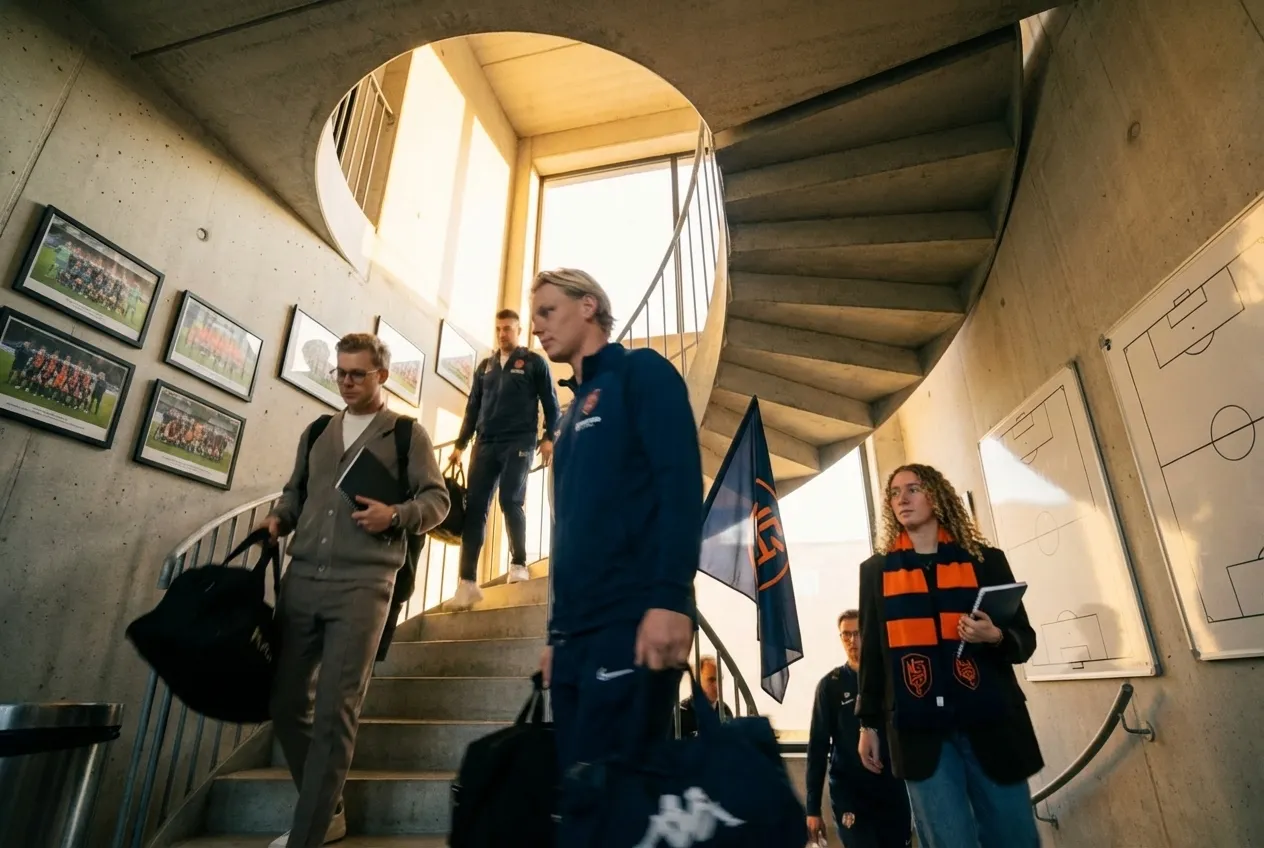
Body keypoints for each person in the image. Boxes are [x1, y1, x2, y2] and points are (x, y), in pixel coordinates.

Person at [530, 268, 702, 847]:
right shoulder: (569, 417)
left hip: (631, 623)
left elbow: (680, 484)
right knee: (581, 806)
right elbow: (569, 535)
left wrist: (670, 599)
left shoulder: (641, 373)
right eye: (534, 317)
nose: (537, 327)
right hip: (575, 639)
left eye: (547, 311)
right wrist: (556, 635)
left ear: (588, 306)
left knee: (622, 810)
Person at [259, 333, 450, 848]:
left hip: (364, 585)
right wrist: (279, 517)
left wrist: (398, 515)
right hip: (303, 581)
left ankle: (307, 834)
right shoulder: (319, 431)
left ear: (381, 376)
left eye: (357, 374)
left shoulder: (406, 434)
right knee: (284, 703)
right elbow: (295, 492)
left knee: (334, 710)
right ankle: (329, 808)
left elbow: (438, 501)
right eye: (340, 372)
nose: (345, 382)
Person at [856, 464, 1043, 848]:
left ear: (937, 496)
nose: (902, 499)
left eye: (913, 489)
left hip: (990, 722)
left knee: (1015, 838)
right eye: (894, 493)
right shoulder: (877, 571)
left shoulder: (985, 561)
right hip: (920, 731)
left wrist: (994, 636)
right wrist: (868, 725)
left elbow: (1024, 640)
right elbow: (873, 655)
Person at [447, 308, 560, 609]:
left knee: (510, 499)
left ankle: (518, 563)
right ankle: (467, 582)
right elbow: (473, 408)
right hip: (485, 443)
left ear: (519, 330)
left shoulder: (534, 362)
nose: (502, 334)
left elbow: (551, 403)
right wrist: (460, 445)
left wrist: (549, 438)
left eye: (508, 328)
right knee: (475, 509)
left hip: (519, 441)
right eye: (498, 329)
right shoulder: (485, 367)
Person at [806, 610, 910, 848]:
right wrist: (812, 808)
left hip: (891, 786)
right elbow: (818, 747)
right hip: (850, 792)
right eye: (846, 635)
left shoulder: (890, 679)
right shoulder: (830, 686)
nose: (852, 641)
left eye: (857, 633)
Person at [676, 654, 733, 737]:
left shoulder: (725, 711)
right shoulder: (681, 715)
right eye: (711, 680)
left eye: (719, 679)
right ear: (697, 681)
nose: (717, 685)